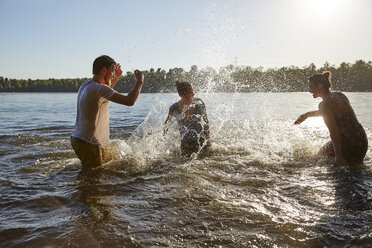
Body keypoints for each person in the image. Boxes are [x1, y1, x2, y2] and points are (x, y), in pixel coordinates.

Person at [71, 55, 144, 174]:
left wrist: (115, 77)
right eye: (112, 71)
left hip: (78, 139)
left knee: (92, 173)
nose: (113, 74)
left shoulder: (86, 85)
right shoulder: (98, 89)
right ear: (103, 70)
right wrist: (139, 82)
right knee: (93, 178)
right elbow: (129, 101)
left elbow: (104, 94)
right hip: (88, 143)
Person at [294, 71, 368, 166]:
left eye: (311, 87)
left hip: (348, 142)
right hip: (361, 140)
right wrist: (307, 115)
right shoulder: (340, 95)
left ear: (319, 86)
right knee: (356, 165)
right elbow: (332, 113)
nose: (309, 90)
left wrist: (339, 156)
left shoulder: (324, 104)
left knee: (319, 155)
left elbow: (333, 130)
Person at [164, 81, 211, 156]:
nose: (193, 94)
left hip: (201, 140)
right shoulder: (173, 108)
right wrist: (163, 140)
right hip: (185, 143)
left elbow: (206, 122)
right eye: (191, 92)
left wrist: (208, 140)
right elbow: (166, 125)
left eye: (193, 91)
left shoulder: (199, 103)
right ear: (182, 94)